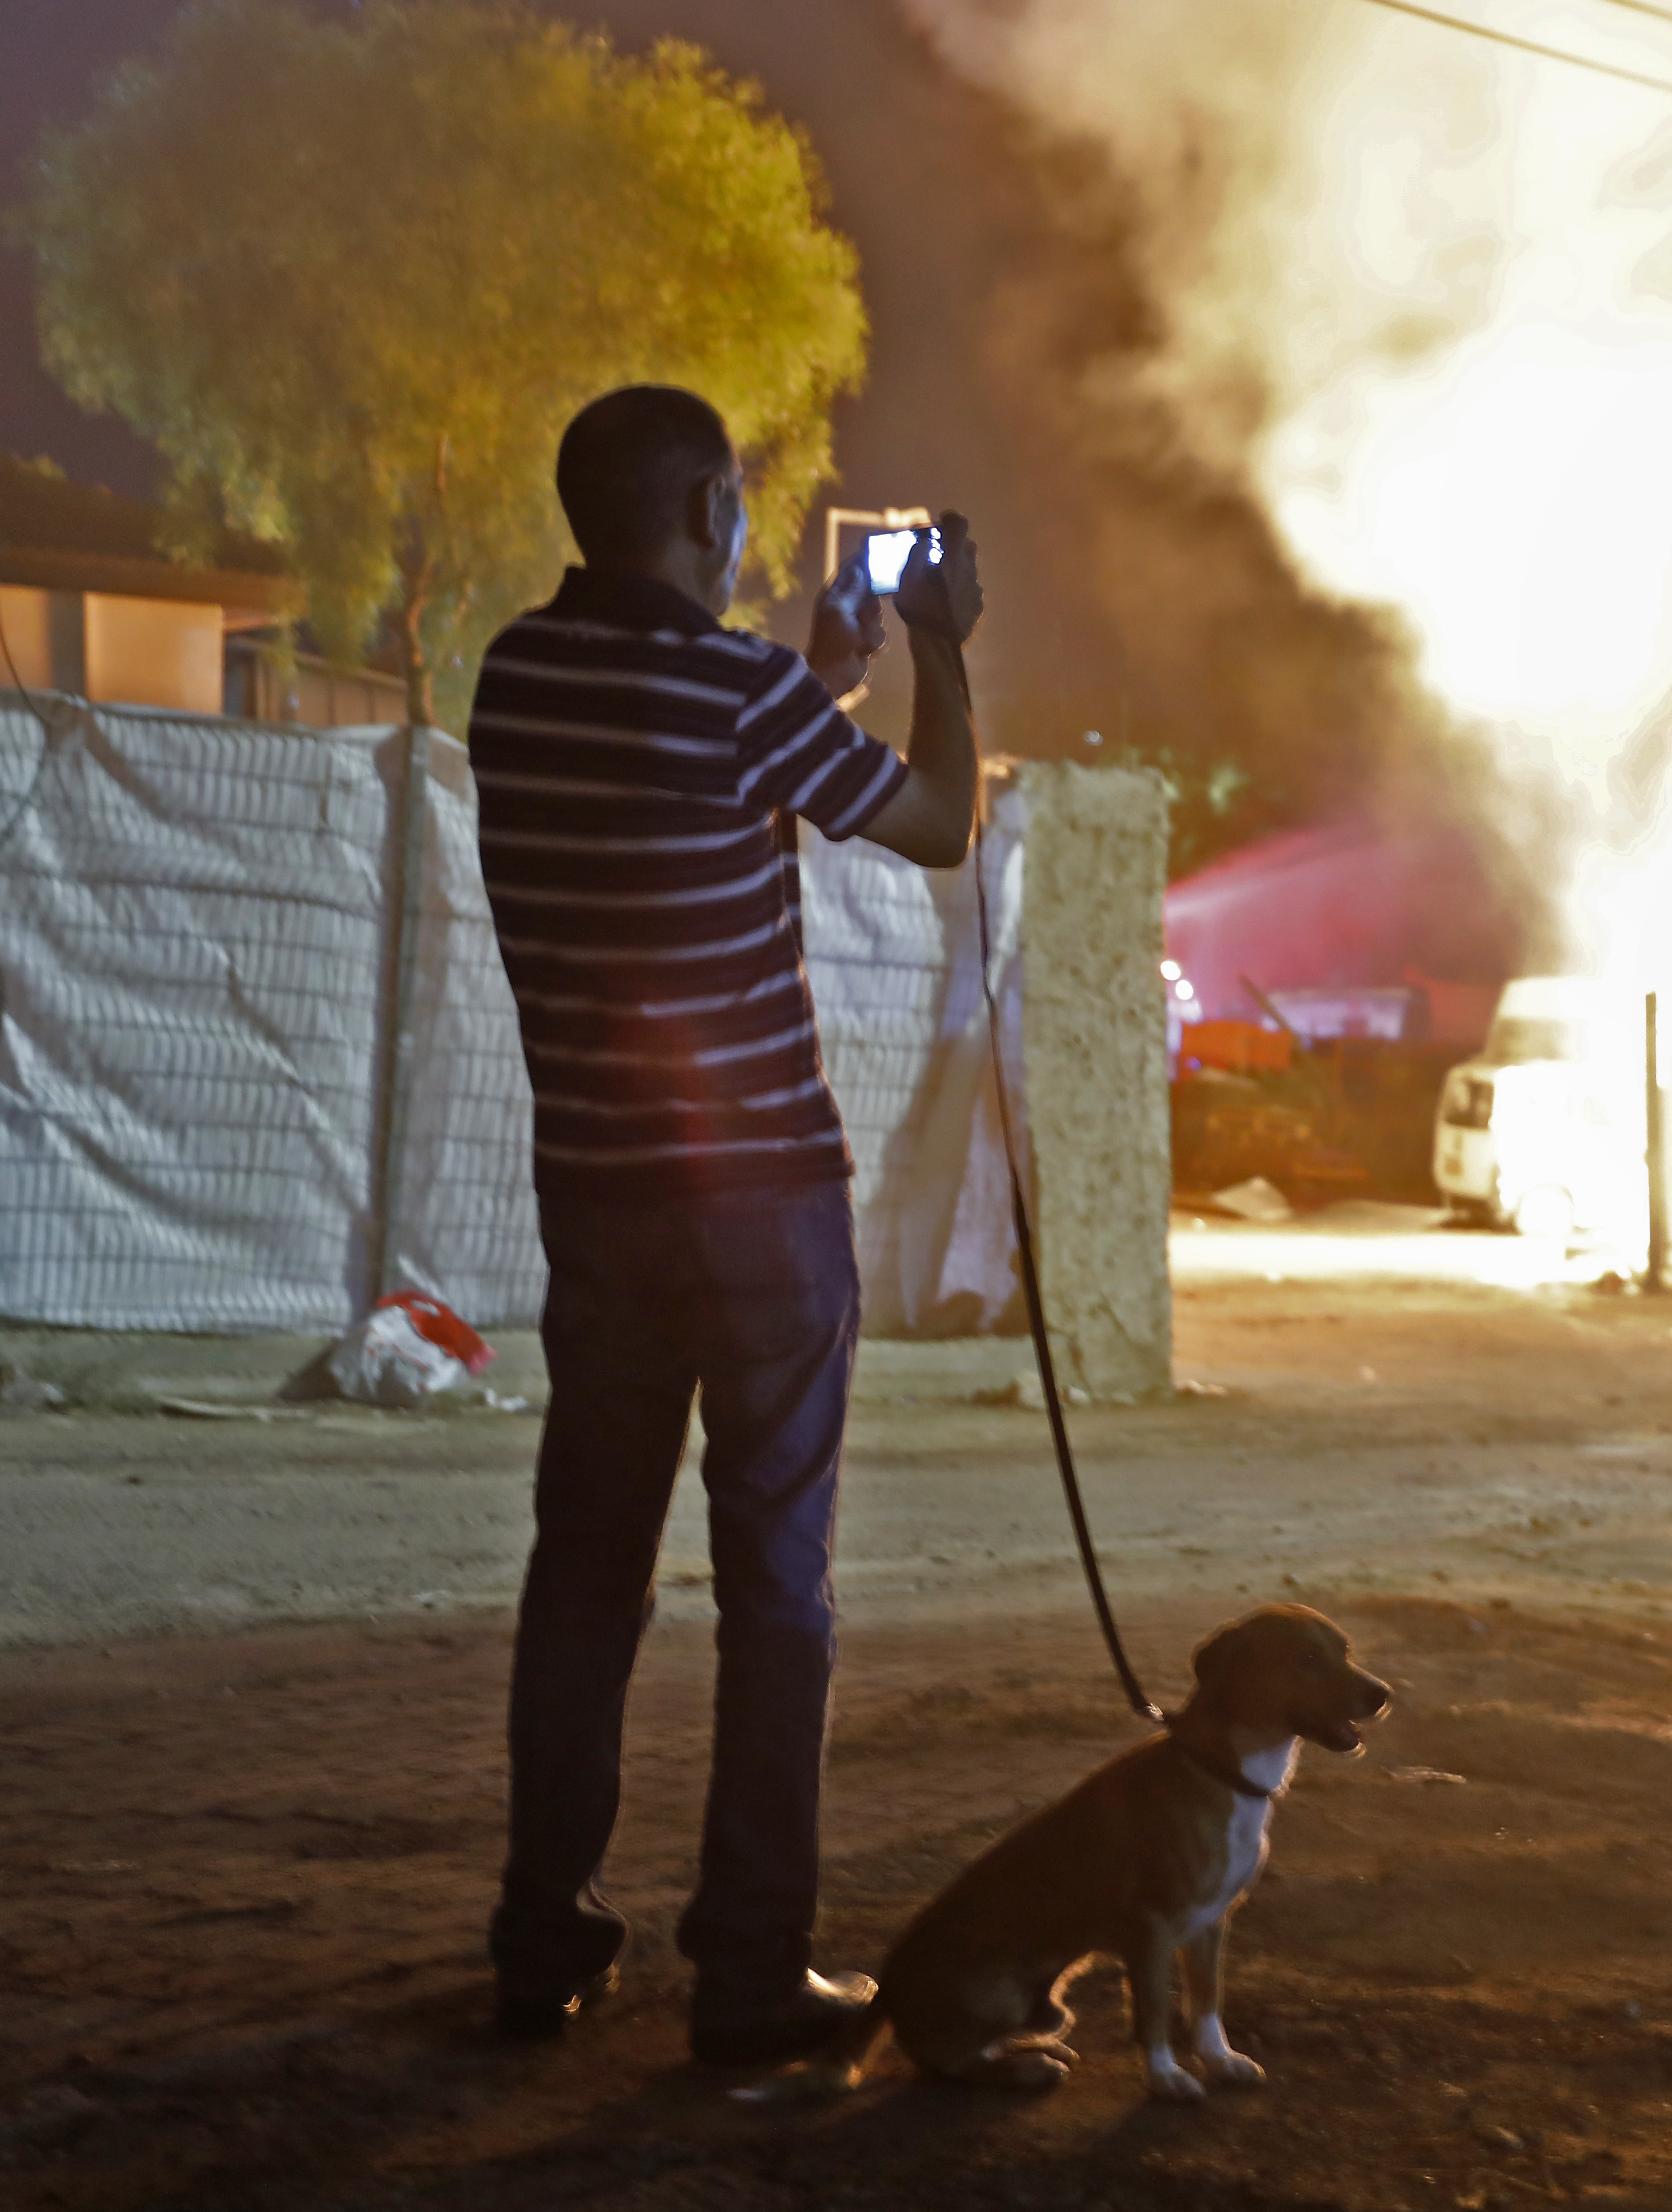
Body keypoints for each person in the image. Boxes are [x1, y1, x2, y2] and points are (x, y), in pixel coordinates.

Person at [465, 384, 980, 2063]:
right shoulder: (738, 693)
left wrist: (824, 671)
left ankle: (542, 1940)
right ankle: (753, 1979)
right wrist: (941, 650)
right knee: (778, 1593)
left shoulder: (519, 677)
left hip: (601, 1212)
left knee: (586, 1577)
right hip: (761, 1207)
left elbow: (688, 762)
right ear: (703, 512)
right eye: (739, 503)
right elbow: (939, 826)